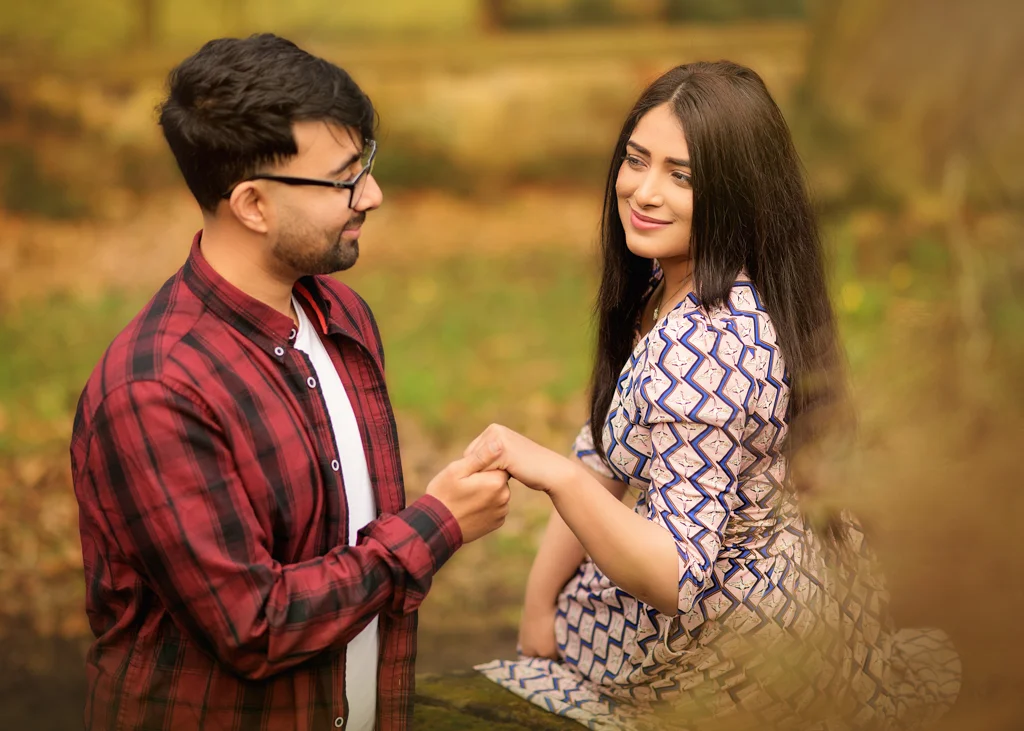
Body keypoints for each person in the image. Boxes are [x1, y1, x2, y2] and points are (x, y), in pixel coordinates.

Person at [468, 61, 961, 730]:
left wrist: (551, 475)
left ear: (737, 193)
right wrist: (537, 599)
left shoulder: (703, 342)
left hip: (728, 653)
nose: (643, 192)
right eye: (636, 160)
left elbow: (675, 573)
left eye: (682, 176)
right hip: (776, 612)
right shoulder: (676, 288)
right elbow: (606, 458)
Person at [68, 34, 511, 731]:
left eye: (365, 162)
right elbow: (255, 625)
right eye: (343, 178)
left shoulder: (343, 318)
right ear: (251, 204)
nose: (373, 193)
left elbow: (350, 557)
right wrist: (436, 524)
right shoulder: (155, 390)